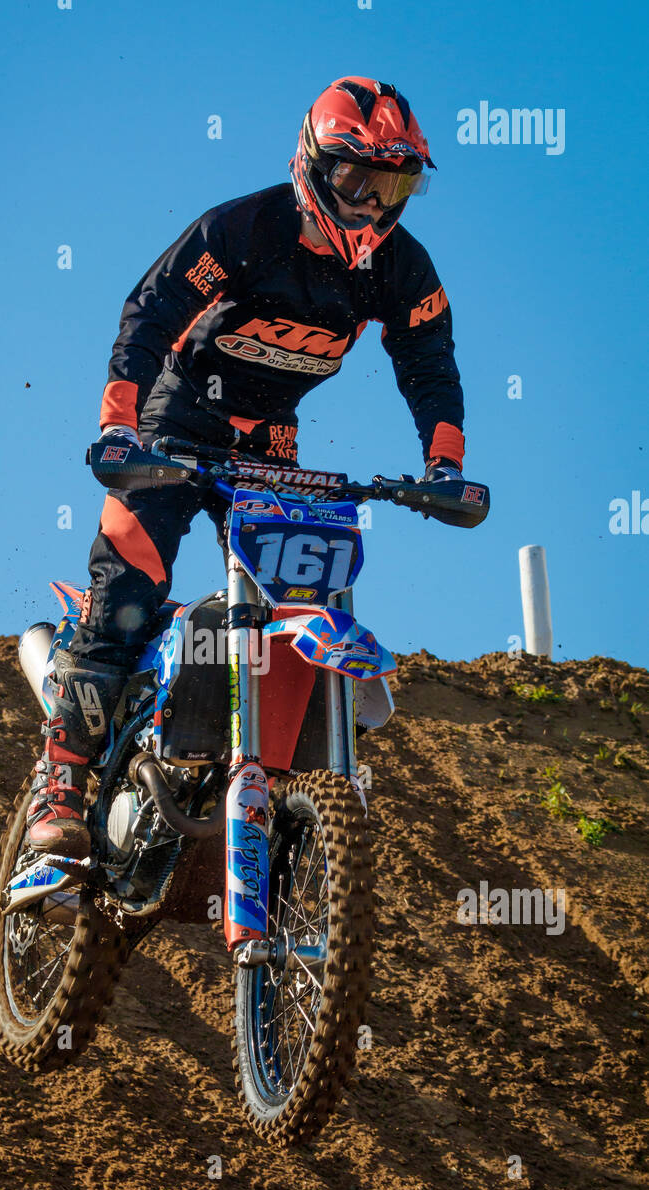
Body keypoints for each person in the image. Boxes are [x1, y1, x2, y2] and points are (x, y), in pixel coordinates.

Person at [27, 75, 466, 858]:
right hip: (176, 419)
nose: (369, 203)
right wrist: (119, 426)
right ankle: (59, 783)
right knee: (128, 589)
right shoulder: (245, 227)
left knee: (293, 601)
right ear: (312, 164)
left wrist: (443, 462)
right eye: (354, 178)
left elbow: (428, 360)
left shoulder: (403, 268)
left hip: (269, 443)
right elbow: (151, 310)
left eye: (392, 183)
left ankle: (259, 775)